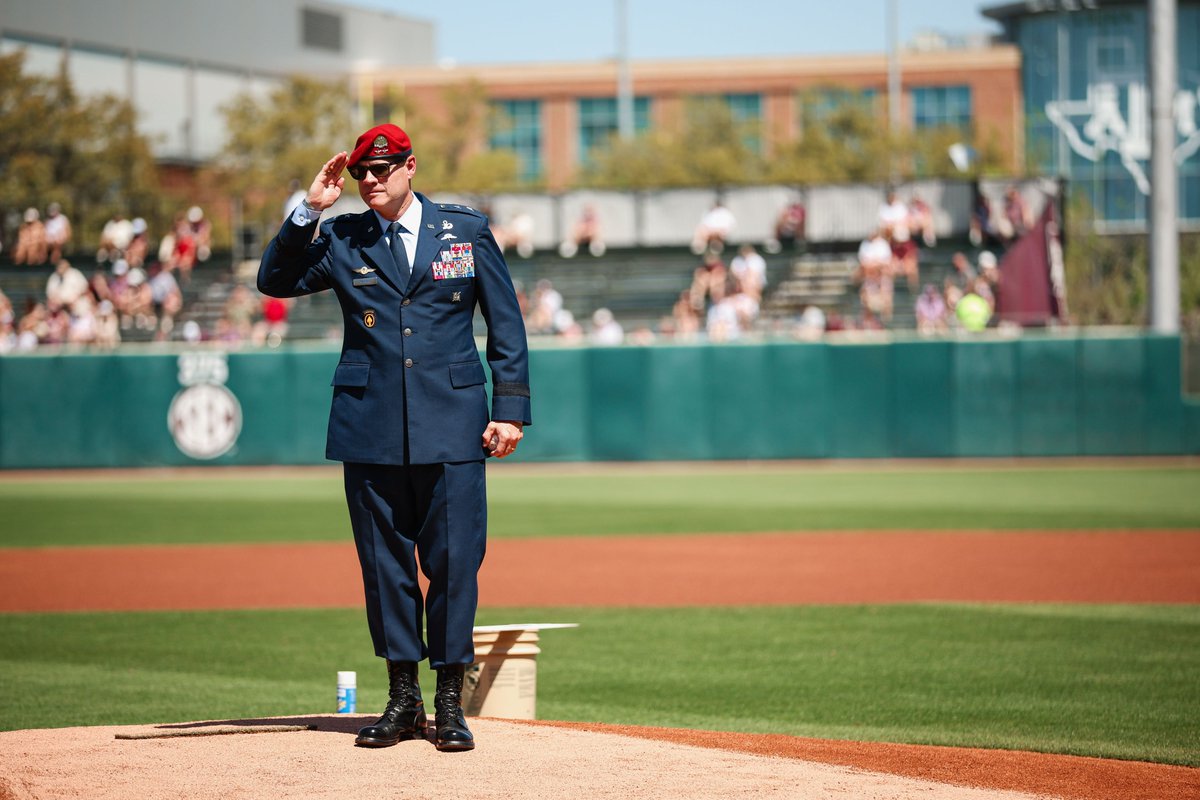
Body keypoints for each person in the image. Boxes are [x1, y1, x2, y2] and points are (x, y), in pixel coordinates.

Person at [258, 123, 531, 753]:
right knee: (386, 570)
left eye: (383, 170)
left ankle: (448, 703)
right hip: (371, 424)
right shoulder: (343, 236)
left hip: (455, 422)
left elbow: (505, 323)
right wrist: (309, 210)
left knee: (455, 566)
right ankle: (403, 699)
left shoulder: (463, 230)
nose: (372, 181)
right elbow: (274, 280)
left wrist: (510, 410)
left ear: (411, 167)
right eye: (361, 174)